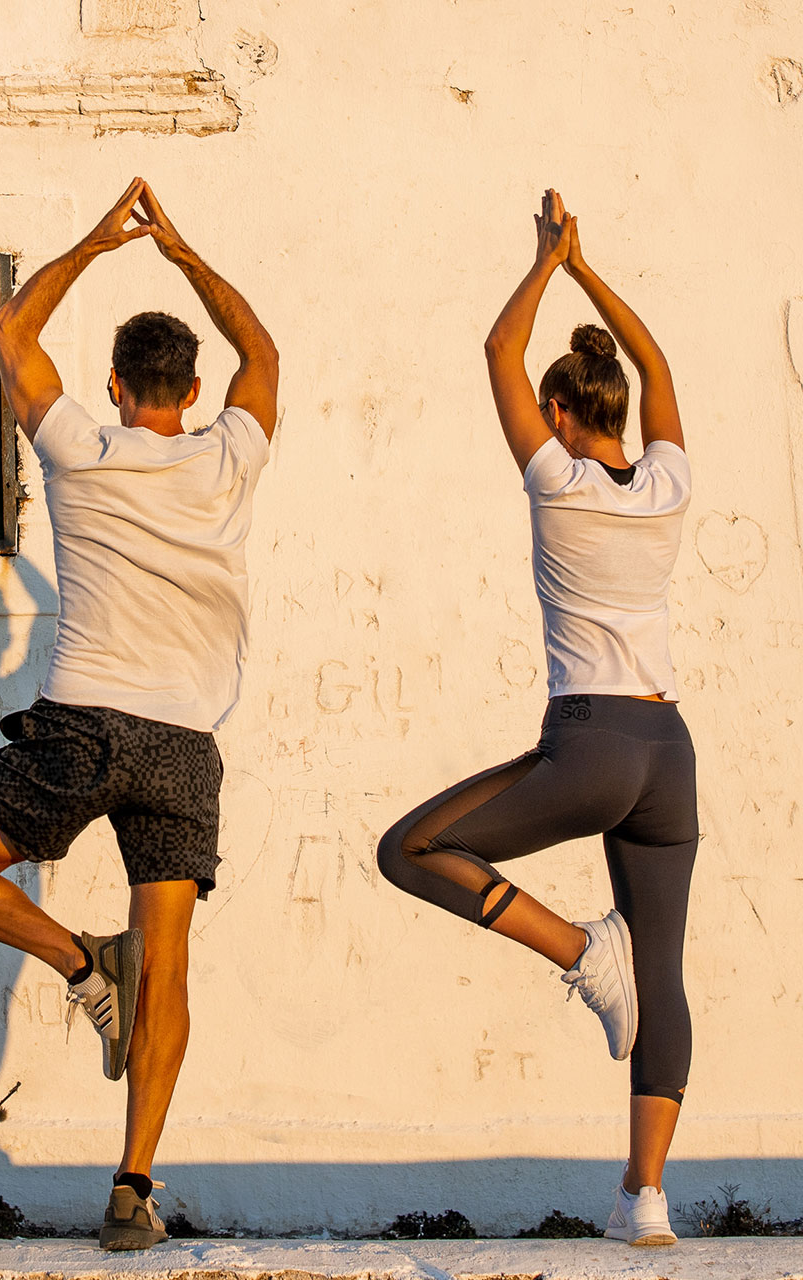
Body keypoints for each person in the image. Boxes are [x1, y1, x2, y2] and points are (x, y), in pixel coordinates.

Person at [0, 177, 278, 1251]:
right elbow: (265, 351)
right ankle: (132, 1186)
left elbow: (8, 325)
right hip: (183, 747)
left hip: (82, 731)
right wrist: (184, 250)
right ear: (192, 384)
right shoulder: (227, 457)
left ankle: (77, 961)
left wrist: (105, 241)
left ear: (115, 384)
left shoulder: (79, 445)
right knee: (169, 970)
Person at [376, 190, 695, 1248]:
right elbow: (652, 362)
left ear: (561, 413)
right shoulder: (666, 480)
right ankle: (644, 1198)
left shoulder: (557, 479)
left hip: (593, 738)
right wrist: (590, 268)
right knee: (665, 975)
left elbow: (498, 343)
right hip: (668, 750)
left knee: (411, 845)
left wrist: (548, 260)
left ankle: (573, 949)